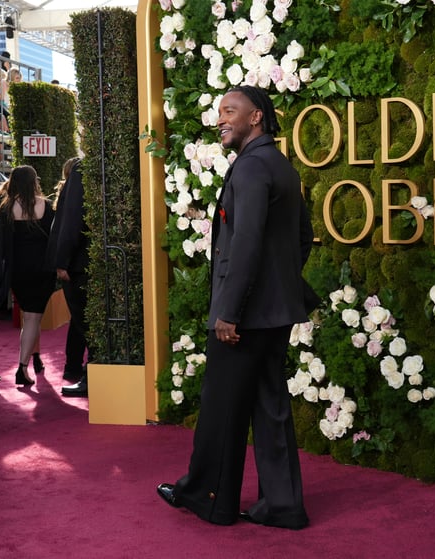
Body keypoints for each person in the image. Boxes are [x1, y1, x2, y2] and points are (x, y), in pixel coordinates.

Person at [156, 85, 313, 529]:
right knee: (271, 407)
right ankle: (282, 506)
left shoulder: (249, 169)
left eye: (230, 111)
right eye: (218, 111)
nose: (220, 118)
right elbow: (302, 238)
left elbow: (243, 248)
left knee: (222, 408)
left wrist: (229, 311)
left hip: (242, 316)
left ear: (256, 117)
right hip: (277, 313)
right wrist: (276, 289)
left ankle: (210, 501)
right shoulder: (281, 167)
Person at [0, 165, 55, 385]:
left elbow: (1, 244)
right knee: (34, 317)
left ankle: (36, 358)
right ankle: (22, 367)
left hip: (17, 271)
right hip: (42, 270)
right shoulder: (47, 205)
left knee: (29, 316)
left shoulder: (6, 207)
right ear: (34, 182)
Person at [46, 157, 92, 395]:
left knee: (85, 321)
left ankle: (90, 376)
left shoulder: (82, 169)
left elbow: (72, 217)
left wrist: (62, 260)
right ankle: (85, 373)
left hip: (78, 263)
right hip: (87, 259)